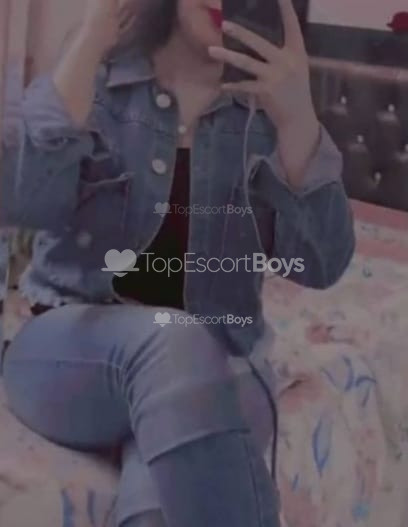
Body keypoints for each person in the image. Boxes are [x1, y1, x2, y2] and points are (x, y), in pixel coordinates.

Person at [0, 0, 355, 526]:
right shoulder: (98, 77)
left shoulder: (266, 113)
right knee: (176, 340)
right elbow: (19, 202)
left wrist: (298, 121)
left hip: (221, 367)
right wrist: (89, 41)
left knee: (160, 505)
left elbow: (321, 265)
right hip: (67, 355)